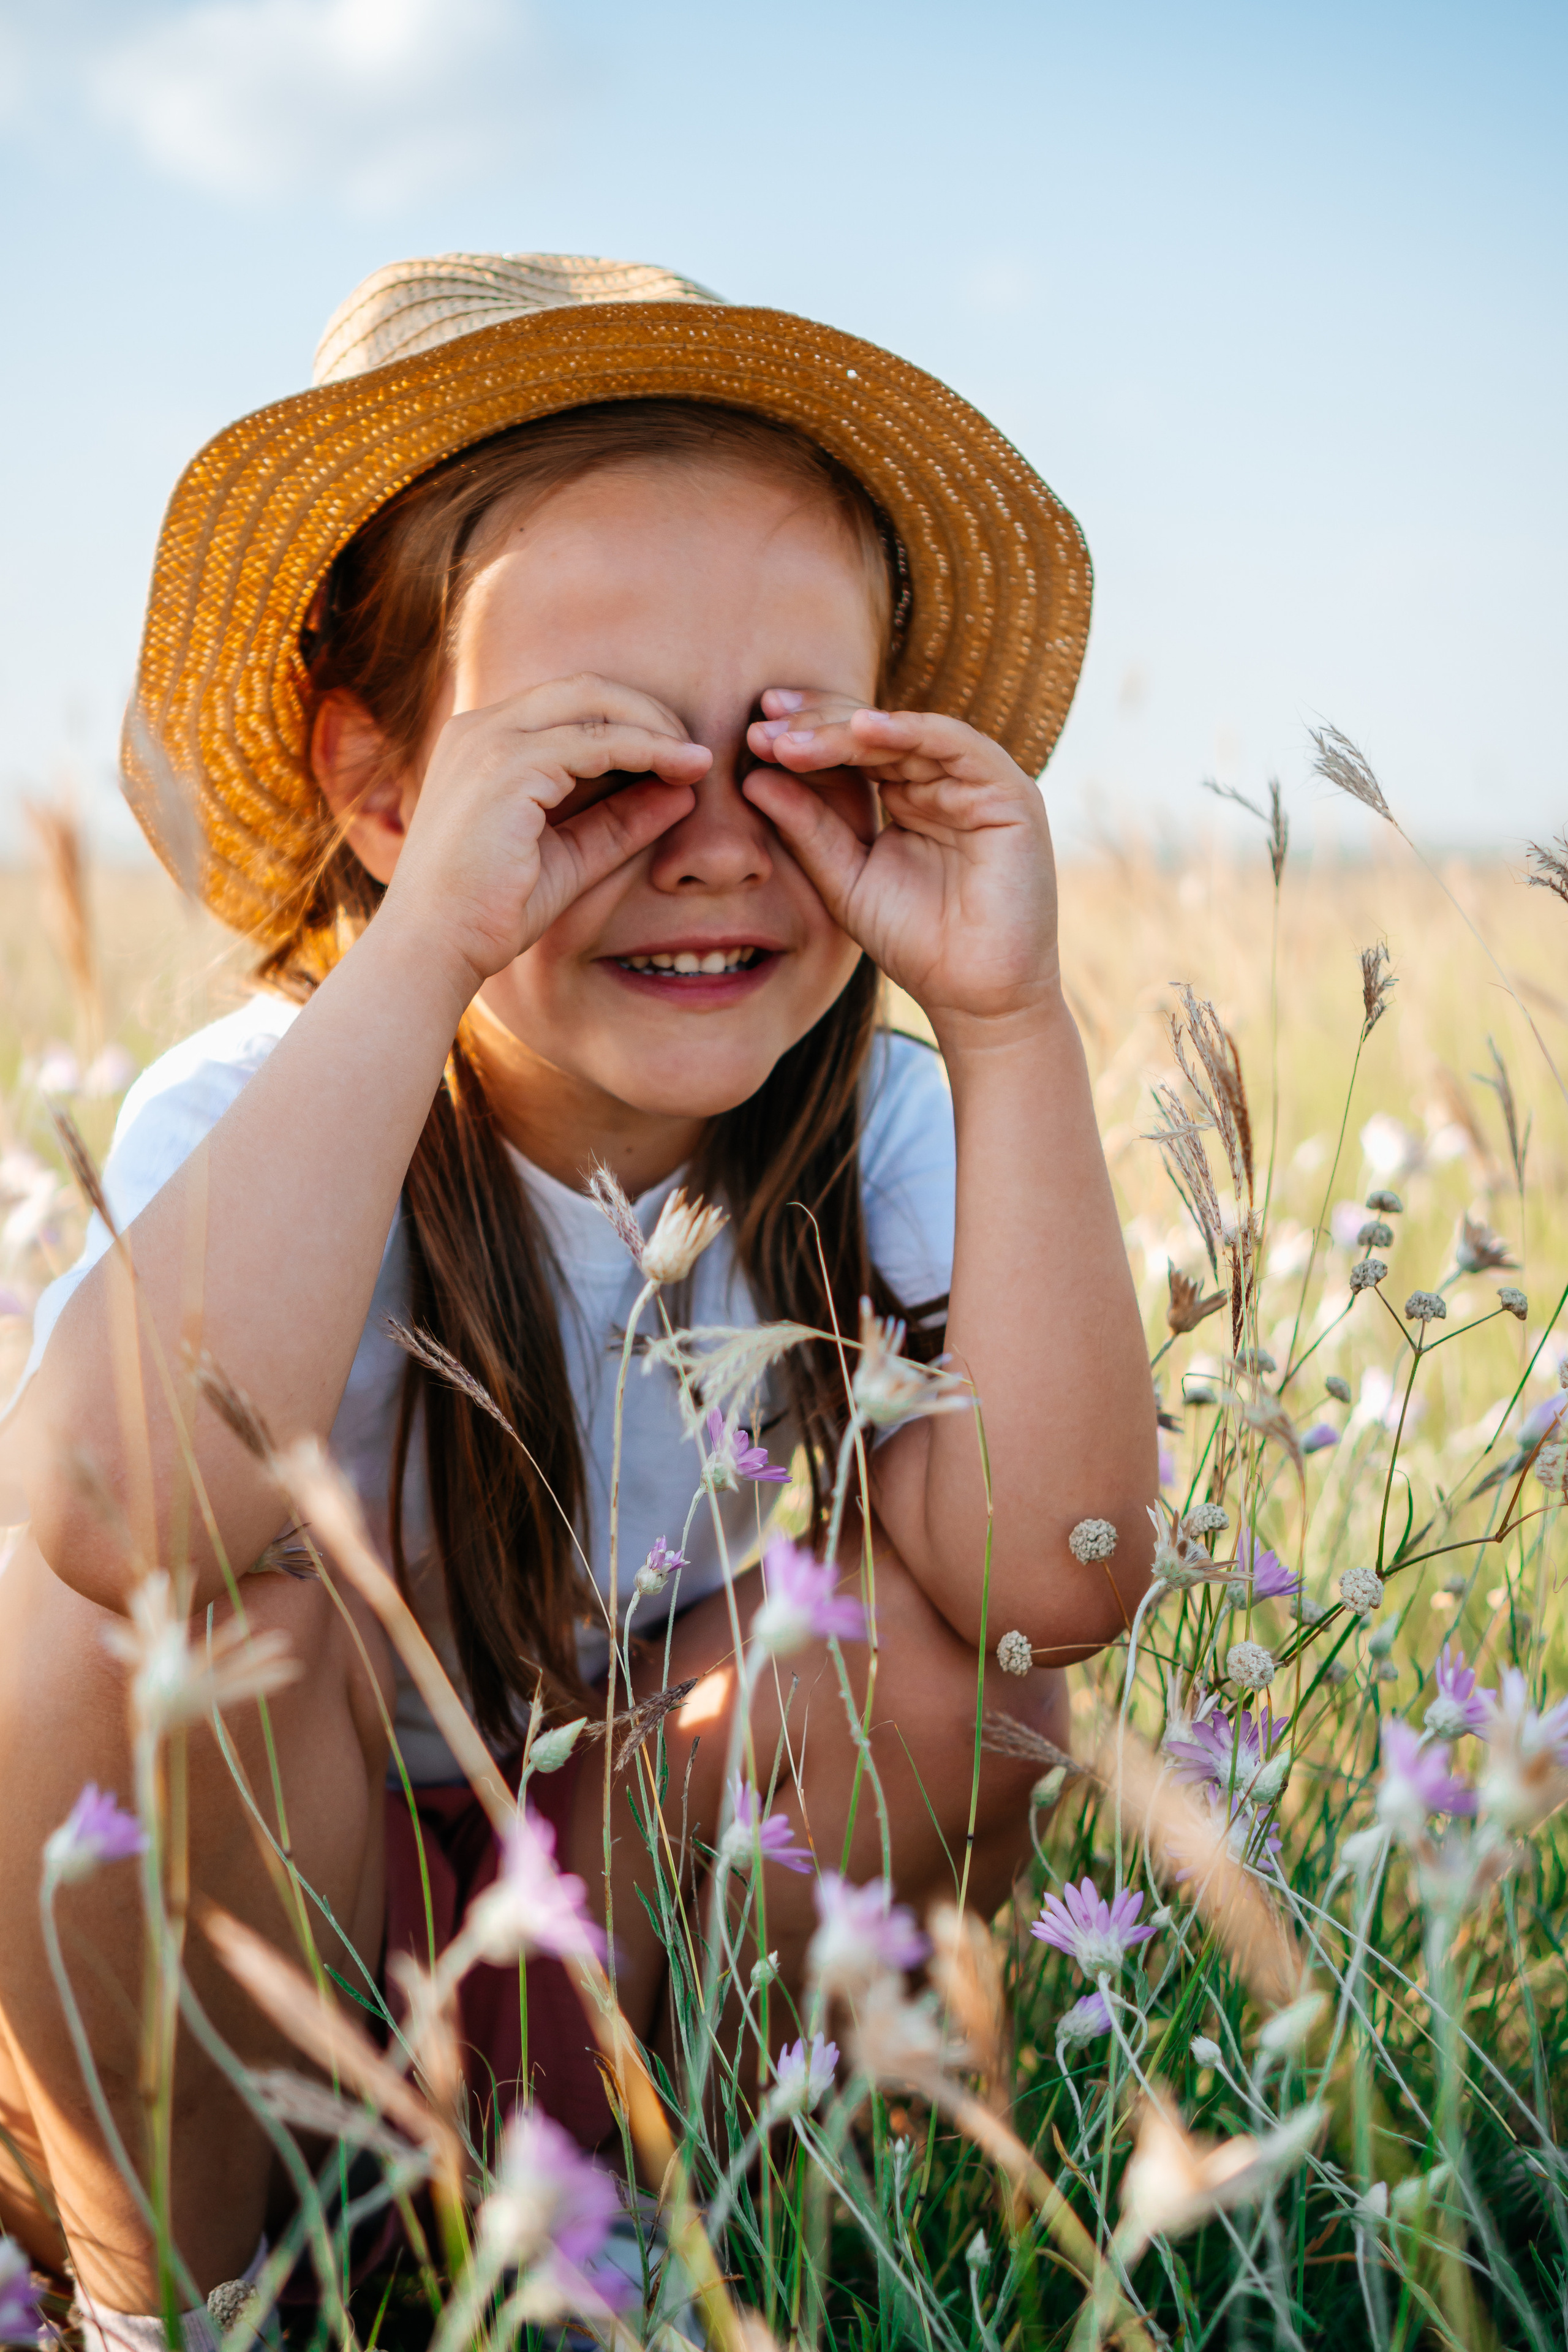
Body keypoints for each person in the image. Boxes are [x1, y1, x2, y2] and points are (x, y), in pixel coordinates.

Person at [0, 252, 1155, 2335]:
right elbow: (110, 1520)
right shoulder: (271, 1110)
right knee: (92, 1629)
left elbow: (1054, 1581)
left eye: (796, 753)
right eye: (593, 762)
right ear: (381, 791)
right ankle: (176, 2303)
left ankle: (586, 2257)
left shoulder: (877, 1125)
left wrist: (1008, 1026)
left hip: (613, 1921)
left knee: (944, 1670)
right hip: (256, 1938)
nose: (714, 842)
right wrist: (427, 944)